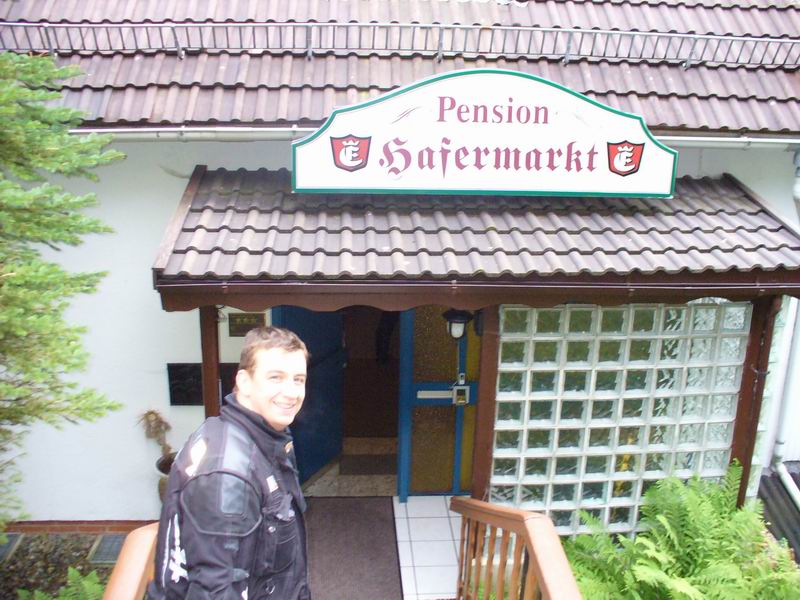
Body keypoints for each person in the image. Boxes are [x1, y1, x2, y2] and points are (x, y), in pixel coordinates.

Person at [147, 326, 312, 600]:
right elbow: (214, 590)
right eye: (276, 377)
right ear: (244, 382)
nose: (291, 392)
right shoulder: (228, 474)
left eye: (298, 379)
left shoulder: (260, 437)